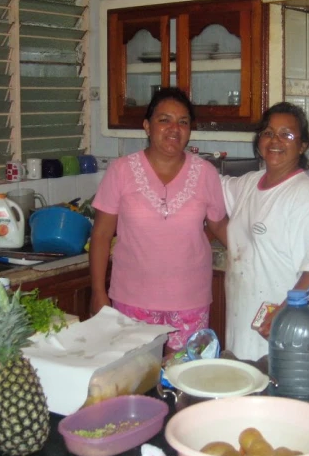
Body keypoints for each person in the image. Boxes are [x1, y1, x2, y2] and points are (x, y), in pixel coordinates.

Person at [90, 87, 227, 351]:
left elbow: (219, 225)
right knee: (135, 378)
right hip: (132, 300)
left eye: (183, 122)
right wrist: (98, 292)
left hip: (190, 301)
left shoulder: (206, 173)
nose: (174, 128)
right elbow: (101, 234)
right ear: (147, 126)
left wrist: (256, 255)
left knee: (185, 378)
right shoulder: (121, 171)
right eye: (164, 119)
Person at [221, 101, 309, 361]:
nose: (275, 140)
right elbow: (210, 187)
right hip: (244, 319)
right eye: (268, 132)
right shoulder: (249, 183)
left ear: (303, 145)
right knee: (246, 387)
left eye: (287, 134)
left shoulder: (308, 195)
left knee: (278, 394)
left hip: (285, 325)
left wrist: (284, 314)